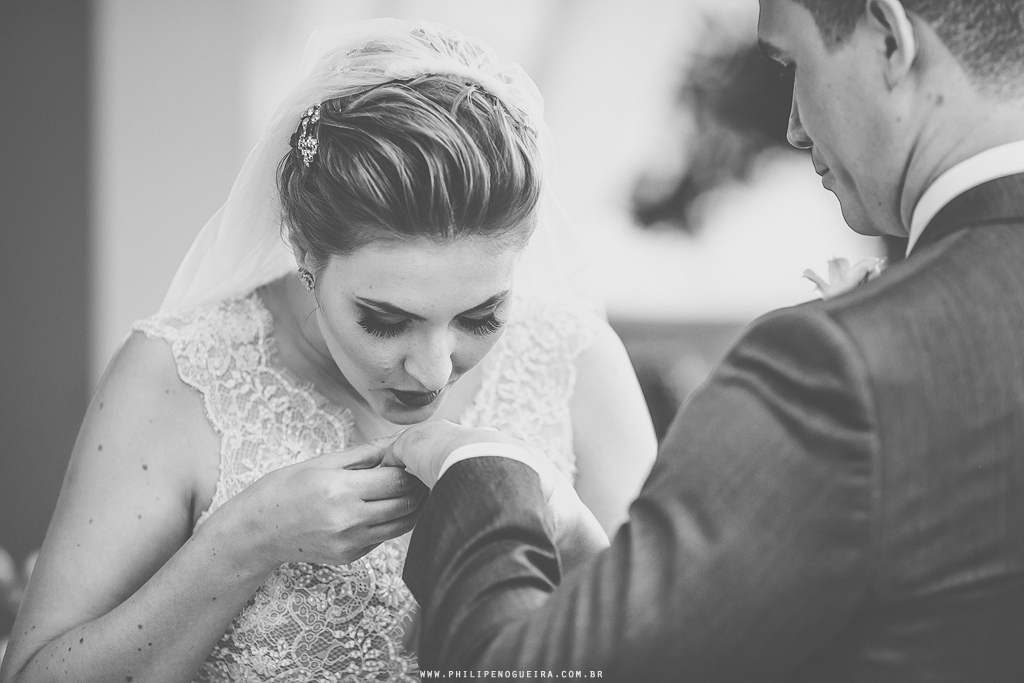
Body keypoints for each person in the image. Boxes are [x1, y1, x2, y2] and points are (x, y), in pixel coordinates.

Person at [383, 0, 1024, 679]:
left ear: (889, 40)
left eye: (791, 64)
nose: (795, 128)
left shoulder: (839, 370)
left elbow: (515, 670)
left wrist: (482, 472)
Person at [0, 20, 656, 683]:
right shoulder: (177, 376)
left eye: (482, 315)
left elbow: (686, 656)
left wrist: (564, 524)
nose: (432, 368)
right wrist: (248, 537)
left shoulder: (578, 361)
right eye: (384, 319)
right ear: (305, 254)